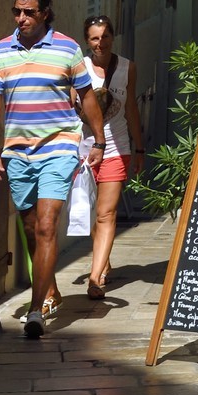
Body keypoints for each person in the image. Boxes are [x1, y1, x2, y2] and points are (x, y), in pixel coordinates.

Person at [0, 0, 103, 339]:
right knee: (32, 228)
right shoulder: (1, 51)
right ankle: (50, 291)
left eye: (29, 12)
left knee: (48, 225)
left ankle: (36, 310)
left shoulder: (67, 48)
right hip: (17, 152)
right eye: (17, 11)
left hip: (59, 147)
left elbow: (87, 95)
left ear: (45, 13)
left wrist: (98, 138)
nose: (22, 18)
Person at [80, 15, 145, 300]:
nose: (100, 43)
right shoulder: (79, 67)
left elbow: (130, 106)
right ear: (87, 41)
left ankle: (95, 278)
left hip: (117, 147)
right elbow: (72, 105)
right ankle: (102, 260)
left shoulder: (127, 67)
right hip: (84, 148)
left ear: (112, 37)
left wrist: (139, 146)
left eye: (104, 37)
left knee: (106, 213)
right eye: (94, 38)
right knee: (92, 211)